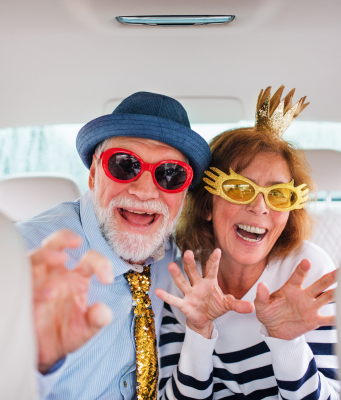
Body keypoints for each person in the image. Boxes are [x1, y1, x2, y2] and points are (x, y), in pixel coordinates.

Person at [17, 91, 211, 399]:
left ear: (184, 194)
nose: (145, 191)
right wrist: (36, 366)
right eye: (124, 165)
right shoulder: (23, 258)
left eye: (170, 174)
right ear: (94, 174)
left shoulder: (182, 262)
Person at [156, 85, 340, 399]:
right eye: (240, 189)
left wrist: (287, 343)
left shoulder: (308, 271)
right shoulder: (182, 277)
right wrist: (199, 333)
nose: (260, 206)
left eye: (278, 194)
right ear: (207, 205)